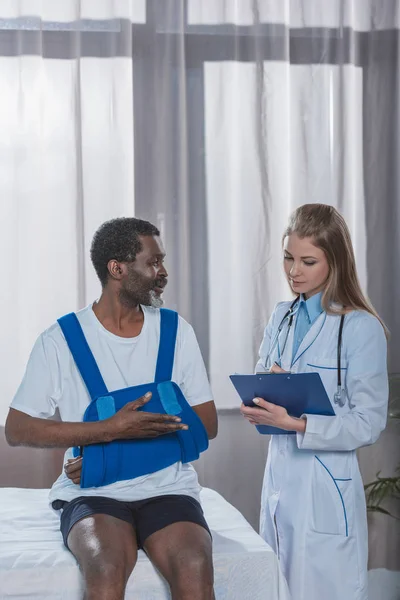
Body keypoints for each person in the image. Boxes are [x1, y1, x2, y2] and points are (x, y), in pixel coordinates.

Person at [5, 217, 218, 600]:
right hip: (93, 494)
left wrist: (115, 458)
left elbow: (207, 424)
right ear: (117, 269)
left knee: (195, 565)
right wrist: (109, 430)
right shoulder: (61, 341)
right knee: (105, 567)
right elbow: (17, 429)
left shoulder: (175, 331)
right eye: (153, 262)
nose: (163, 272)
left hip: (168, 490)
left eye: (162, 261)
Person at [240, 204, 388, 600]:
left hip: (326, 486)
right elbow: (262, 378)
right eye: (289, 257)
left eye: (308, 261)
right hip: (280, 479)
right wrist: (258, 405)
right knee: (275, 587)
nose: (294, 271)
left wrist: (298, 424)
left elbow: (368, 423)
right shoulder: (281, 316)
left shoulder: (360, 328)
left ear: (335, 261)